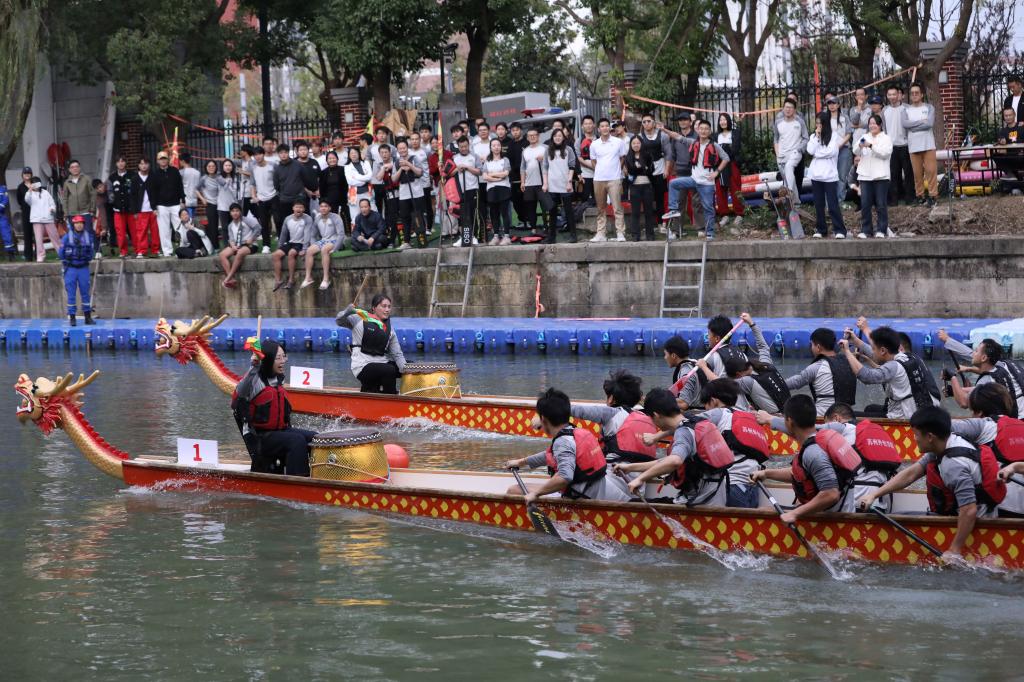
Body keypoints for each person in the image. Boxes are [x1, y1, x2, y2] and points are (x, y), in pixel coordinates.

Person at [858, 406, 1006, 560]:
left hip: (973, 526)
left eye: (915, 434)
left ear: (930, 437)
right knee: (897, 515)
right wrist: (874, 494)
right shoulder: (946, 443)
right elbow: (911, 473)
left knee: (893, 520)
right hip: (959, 516)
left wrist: (954, 549)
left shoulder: (953, 464)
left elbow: (969, 510)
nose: (914, 439)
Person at [506, 388, 632, 503]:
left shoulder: (563, 442)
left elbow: (564, 477)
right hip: (596, 492)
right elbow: (552, 455)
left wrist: (536, 494)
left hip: (587, 498)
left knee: (513, 491)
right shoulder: (573, 431)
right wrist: (521, 462)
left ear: (543, 419)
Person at [613, 388, 732, 506]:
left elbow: (675, 461)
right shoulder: (697, 423)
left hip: (697, 504)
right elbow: (665, 461)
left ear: (656, 415)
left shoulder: (683, 432)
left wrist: (641, 478)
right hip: (714, 499)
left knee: (632, 505)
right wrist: (629, 468)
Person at [751, 395, 858, 520]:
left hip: (834, 521)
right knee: (765, 510)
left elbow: (831, 494)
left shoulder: (813, 452)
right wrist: (766, 473)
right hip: (832, 514)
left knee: (765, 513)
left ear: (789, 422)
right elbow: (801, 474)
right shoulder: (817, 443)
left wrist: (794, 514)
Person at [233, 339, 315, 476]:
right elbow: (240, 391)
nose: (283, 361)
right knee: (296, 441)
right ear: (268, 359)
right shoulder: (255, 380)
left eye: (284, 356)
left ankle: (316, 474)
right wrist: (254, 367)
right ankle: (298, 482)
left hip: (279, 432)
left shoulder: (278, 379)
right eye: (278, 358)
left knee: (314, 438)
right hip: (258, 437)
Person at [945, 383, 1024, 518]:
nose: (971, 415)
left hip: (998, 507)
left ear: (980, 412)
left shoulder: (982, 425)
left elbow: (941, 426)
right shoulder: (1020, 425)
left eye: (972, 411)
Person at [840, 325, 939, 419]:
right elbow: (876, 354)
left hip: (905, 420)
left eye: (874, 348)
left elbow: (866, 377)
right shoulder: (911, 357)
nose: (872, 352)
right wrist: (855, 340)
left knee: (846, 417)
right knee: (870, 409)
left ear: (883, 350)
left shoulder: (894, 366)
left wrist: (847, 352)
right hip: (923, 412)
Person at [662, 119, 729, 241]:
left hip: (707, 183)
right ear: (697, 130)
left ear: (710, 131)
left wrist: (717, 172)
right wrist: (664, 130)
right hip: (693, 180)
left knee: (708, 207)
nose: (703, 131)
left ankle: (709, 233)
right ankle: (673, 210)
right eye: (701, 129)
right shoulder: (692, 142)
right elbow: (677, 136)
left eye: (706, 129)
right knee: (673, 183)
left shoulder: (715, 146)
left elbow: (726, 158)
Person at [939, 331, 1024, 416]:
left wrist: (952, 377)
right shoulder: (1005, 365)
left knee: (977, 415)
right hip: (1018, 415)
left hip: (1017, 421)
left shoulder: (988, 380)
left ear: (984, 358)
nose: (973, 354)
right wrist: (956, 390)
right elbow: (982, 389)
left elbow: (964, 402)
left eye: (976, 351)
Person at [336, 294, 407, 393]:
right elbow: (339, 321)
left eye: (389, 307)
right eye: (383, 306)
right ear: (374, 308)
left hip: (382, 364)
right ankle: (391, 399)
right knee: (389, 370)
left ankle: (408, 395)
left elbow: (397, 355)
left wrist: (407, 370)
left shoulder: (390, 331)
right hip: (362, 366)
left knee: (411, 366)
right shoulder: (358, 319)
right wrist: (346, 312)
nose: (387, 310)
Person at [722, 314, 791, 414]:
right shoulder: (764, 364)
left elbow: (720, 385)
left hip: (776, 420)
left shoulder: (746, 382)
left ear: (738, 375)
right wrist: (751, 323)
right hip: (790, 412)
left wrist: (703, 367)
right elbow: (763, 347)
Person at [785, 327, 858, 416]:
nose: (811, 348)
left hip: (824, 415)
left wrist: (773, 384)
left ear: (818, 347)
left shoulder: (816, 367)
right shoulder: (849, 362)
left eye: (812, 345)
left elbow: (795, 382)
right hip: (847, 414)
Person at [806, 111, 847, 238]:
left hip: (829, 176)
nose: (818, 126)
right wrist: (817, 139)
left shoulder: (834, 136)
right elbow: (810, 151)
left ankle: (840, 230)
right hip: (816, 175)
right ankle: (821, 229)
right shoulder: (814, 137)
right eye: (817, 123)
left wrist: (817, 154)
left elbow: (832, 152)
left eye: (821, 123)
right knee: (818, 204)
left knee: (833, 204)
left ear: (826, 124)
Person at [588, 118, 626, 242]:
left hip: (614, 179)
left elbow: (622, 157)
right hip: (598, 179)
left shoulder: (618, 142)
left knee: (617, 207)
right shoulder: (594, 144)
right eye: (602, 126)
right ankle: (601, 233)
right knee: (600, 208)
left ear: (610, 128)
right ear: (598, 129)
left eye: (606, 126)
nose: (605, 128)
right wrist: (600, 171)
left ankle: (620, 233)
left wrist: (617, 170)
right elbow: (594, 161)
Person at [855, 114, 892, 239]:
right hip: (865, 175)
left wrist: (871, 146)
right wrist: (860, 146)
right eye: (870, 123)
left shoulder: (886, 138)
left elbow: (885, 154)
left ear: (880, 125)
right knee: (865, 204)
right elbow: (855, 151)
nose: (872, 126)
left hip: (881, 176)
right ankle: (866, 230)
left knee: (881, 204)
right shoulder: (864, 136)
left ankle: (881, 229)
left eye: (874, 123)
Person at [902, 81, 938, 207]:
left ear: (922, 94)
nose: (914, 95)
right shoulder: (906, 110)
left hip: (928, 145)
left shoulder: (929, 108)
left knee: (931, 171)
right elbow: (905, 125)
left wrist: (914, 125)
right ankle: (920, 196)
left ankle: (933, 196)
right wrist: (920, 122)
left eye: (917, 93)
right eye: (912, 93)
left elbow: (929, 124)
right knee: (917, 174)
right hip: (913, 146)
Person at [58, 214, 96, 326]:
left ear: (83, 224)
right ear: (73, 225)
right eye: (76, 223)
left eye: (81, 223)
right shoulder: (66, 238)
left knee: (85, 294)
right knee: (71, 294)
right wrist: (67, 262)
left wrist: (87, 259)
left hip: (83, 268)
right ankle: (72, 318)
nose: (79, 225)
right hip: (71, 269)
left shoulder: (88, 237)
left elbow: (90, 253)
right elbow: (61, 253)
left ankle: (88, 317)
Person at [544, 128, 578, 244]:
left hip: (565, 184)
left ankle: (573, 235)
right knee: (552, 211)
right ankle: (551, 237)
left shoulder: (568, 149)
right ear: (552, 138)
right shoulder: (548, 150)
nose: (557, 138)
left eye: (560, 135)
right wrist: (545, 183)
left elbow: (572, 166)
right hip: (552, 184)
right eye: (555, 136)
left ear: (563, 137)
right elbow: (545, 167)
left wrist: (569, 181)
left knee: (568, 210)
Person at [883, 85, 914, 209]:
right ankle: (894, 200)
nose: (892, 97)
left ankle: (910, 198)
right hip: (892, 147)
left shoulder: (907, 108)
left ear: (899, 95)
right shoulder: (885, 110)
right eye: (889, 94)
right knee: (893, 174)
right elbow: (884, 129)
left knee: (908, 174)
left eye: (894, 94)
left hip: (905, 145)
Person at [301, 200, 344, 290]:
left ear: (329, 208)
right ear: (319, 208)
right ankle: (308, 277)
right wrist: (314, 245)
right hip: (323, 240)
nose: (323, 208)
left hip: (335, 241)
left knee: (324, 250)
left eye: (325, 206)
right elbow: (312, 235)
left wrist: (336, 248)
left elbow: (341, 234)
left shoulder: (336, 217)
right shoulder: (317, 219)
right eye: (321, 206)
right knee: (309, 250)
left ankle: (326, 279)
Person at [637, 113, 672, 222]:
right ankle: (649, 222)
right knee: (647, 196)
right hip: (646, 170)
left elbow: (668, 154)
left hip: (660, 167)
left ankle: (661, 222)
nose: (646, 124)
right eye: (644, 122)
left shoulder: (663, 136)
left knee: (660, 196)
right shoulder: (639, 136)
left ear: (654, 123)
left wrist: (666, 169)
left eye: (649, 121)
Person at [394, 139, 428, 249]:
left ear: (407, 148)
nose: (402, 150)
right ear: (397, 150)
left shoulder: (414, 158)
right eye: (400, 149)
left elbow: (420, 172)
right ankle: (407, 241)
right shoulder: (396, 162)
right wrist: (401, 169)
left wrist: (409, 164)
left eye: (404, 148)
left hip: (416, 192)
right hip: (404, 194)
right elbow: (394, 179)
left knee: (418, 216)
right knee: (405, 217)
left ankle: (422, 240)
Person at [773, 99, 809, 204]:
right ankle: (796, 202)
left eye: (790, 107)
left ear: (794, 109)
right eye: (786, 107)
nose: (788, 109)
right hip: (782, 154)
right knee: (788, 178)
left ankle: (789, 194)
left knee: (789, 167)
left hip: (795, 153)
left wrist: (799, 149)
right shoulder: (778, 122)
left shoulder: (799, 121)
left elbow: (806, 138)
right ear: (783, 108)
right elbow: (776, 138)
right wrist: (777, 153)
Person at [151, 151, 185, 257]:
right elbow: (152, 192)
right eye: (161, 159)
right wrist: (154, 207)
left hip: (175, 204)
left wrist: (183, 200)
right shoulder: (154, 174)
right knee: (164, 229)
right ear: (157, 161)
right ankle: (167, 251)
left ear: (168, 159)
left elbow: (180, 186)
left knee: (180, 227)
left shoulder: (175, 171)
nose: (163, 160)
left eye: (165, 158)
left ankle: (183, 248)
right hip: (161, 206)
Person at [623, 134, 656, 241]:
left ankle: (650, 235)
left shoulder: (647, 155)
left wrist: (640, 167)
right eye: (633, 143)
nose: (636, 145)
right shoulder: (628, 157)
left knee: (649, 212)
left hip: (647, 186)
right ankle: (635, 235)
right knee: (635, 212)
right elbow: (631, 170)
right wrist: (642, 168)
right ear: (630, 145)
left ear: (642, 144)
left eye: (638, 143)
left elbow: (651, 171)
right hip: (634, 187)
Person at [61, 160, 98, 256]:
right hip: (72, 212)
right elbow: (64, 198)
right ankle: (77, 253)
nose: (75, 168)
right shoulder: (67, 182)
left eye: (76, 166)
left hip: (86, 211)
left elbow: (93, 194)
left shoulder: (86, 179)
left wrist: (92, 209)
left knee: (89, 231)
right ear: (69, 169)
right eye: (72, 167)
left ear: (80, 167)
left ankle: (97, 251)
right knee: (74, 234)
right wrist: (65, 212)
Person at [219, 203, 260, 288]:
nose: (235, 213)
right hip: (237, 244)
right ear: (230, 213)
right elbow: (231, 239)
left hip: (249, 244)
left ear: (240, 212)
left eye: (237, 211)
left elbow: (258, 228)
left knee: (240, 253)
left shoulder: (246, 220)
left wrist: (251, 239)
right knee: (222, 254)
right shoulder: (230, 225)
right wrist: (233, 246)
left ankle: (228, 278)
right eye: (233, 211)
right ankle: (231, 279)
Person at [714, 113, 744, 227]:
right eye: (720, 120)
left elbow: (736, 149)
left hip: (732, 164)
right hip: (720, 165)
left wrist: (725, 151)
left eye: (725, 119)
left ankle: (739, 214)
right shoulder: (715, 135)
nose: (723, 122)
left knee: (735, 188)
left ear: (728, 121)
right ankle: (724, 215)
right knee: (720, 190)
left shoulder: (735, 133)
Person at [520, 126, 550, 236]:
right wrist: (523, 182)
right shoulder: (525, 151)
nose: (532, 137)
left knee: (545, 207)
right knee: (530, 207)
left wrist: (544, 158)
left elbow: (552, 162)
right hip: (529, 183)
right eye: (530, 135)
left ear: (538, 136)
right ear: (527, 138)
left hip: (543, 183)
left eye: (534, 135)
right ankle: (533, 228)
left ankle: (547, 227)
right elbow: (522, 168)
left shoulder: (545, 148)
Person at [452, 136, 482, 246]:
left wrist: (468, 167)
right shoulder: (454, 157)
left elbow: (480, 171)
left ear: (468, 145)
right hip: (459, 190)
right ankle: (463, 237)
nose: (463, 148)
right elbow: (449, 173)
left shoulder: (474, 156)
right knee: (461, 214)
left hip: (472, 188)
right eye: (461, 147)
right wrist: (457, 169)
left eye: (465, 146)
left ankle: (474, 236)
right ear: (458, 146)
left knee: (473, 212)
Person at [823, 95, 853, 206]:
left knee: (841, 175)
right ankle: (829, 201)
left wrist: (840, 145)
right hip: (829, 151)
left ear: (838, 105)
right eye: (829, 103)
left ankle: (839, 200)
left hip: (844, 148)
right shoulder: (824, 118)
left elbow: (849, 133)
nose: (832, 105)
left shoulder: (844, 117)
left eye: (834, 103)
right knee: (829, 176)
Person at [482, 138, 512, 245]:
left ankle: (507, 236)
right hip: (491, 189)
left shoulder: (505, 160)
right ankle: (496, 236)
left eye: (498, 145)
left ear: (501, 147)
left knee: (505, 213)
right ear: (490, 147)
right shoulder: (487, 161)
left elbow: (505, 173)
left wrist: (492, 174)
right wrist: (496, 178)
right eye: (494, 145)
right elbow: (485, 176)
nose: (496, 147)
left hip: (504, 188)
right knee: (494, 214)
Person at [25, 177, 61, 262]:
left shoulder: (46, 193)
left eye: (37, 183)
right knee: (38, 239)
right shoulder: (30, 194)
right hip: (36, 219)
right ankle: (41, 256)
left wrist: (52, 209)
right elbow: (27, 200)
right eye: (33, 183)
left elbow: (52, 203)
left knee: (55, 236)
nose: (36, 185)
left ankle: (61, 253)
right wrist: (29, 190)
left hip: (48, 218)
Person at [273, 143, 306, 231]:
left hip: (298, 198)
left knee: (301, 222)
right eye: (281, 153)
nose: (283, 155)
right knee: (287, 222)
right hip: (284, 200)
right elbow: (276, 185)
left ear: (288, 153)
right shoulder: (277, 169)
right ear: (278, 154)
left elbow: (305, 179)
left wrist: (302, 193)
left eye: (285, 152)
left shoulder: (298, 165)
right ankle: (287, 242)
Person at [344, 146, 375, 228]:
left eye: (355, 152)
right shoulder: (347, 167)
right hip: (354, 195)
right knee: (355, 216)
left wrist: (356, 176)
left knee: (372, 212)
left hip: (368, 192)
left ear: (359, 153)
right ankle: (356, 235)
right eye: (351, 153)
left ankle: (373, 233)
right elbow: (350, 181)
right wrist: (364, 180)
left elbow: (369, 177)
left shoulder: (366, 163)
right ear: (349, 155)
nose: (353, 155)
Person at [504, 122, 527, 228]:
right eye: (513, 130)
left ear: (521, 130)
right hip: (513, 177)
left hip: (527, 177)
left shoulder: (527, 142)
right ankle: (522, 220)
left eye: (517, 130)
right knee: (516, 201)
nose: (515, 132)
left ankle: (530, 221)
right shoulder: (510, 144)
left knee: (528, 200)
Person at [574, 115, 596, 220]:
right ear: (582, 126)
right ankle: (583, 219)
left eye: (590, 123)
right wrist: (591, 166)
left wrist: (596, 167)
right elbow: (578, 157)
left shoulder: (599, 139)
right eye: (586, 124)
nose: (588, 126)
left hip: (599, 172)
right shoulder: (579, 140)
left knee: (598, 196)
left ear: (594, 125)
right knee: (585, 196)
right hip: (585, 172)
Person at [16, 167, 36, 261]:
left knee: (37, 234)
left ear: (31, 174)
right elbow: (19, 200)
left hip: (37, 212)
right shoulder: (20, 187)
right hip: (26, 213)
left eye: (29, 173)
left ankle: (38, 255)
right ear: (22, 175)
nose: (27, 175)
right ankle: (28, 256)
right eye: (25, 173)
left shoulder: (35, 184)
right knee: (27, 235)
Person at [319, 150, 346, 215]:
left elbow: (346, 186)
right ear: (327, 160)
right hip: (329, 201)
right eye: (330, 158)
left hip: (342, 200)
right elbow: (321, 188)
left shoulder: (343, 169)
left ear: (337, 159)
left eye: (334, 158)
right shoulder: (324, 172)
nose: (332, 160)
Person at [179, 152, 201, 222]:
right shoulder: (197, 172)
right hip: (194, 200)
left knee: (185, 222)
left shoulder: (181, 172)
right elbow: (198, 187)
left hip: (184, 201)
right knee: (192, 220)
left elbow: (179, 187)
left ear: (182, 161)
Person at [0, 183, 14, 260]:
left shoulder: (3, 188)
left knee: (6, 235)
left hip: (1, 216)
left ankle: (11, 255)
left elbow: (5, 199)